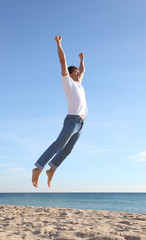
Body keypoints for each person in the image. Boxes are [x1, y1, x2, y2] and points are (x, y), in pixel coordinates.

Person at [32, 36, 88, 188]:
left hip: (81, 123)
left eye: (78, 72)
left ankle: (52, 169)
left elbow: (83, 70)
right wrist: (59, 43)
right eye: (75, 72)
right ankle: (38, 168)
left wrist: (82, 60)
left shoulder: (78, 83)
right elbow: (63, 61)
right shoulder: (68, 82)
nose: (78, 73)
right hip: (72, 120)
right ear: (70, 74)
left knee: (68, 150)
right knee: (59, 145)